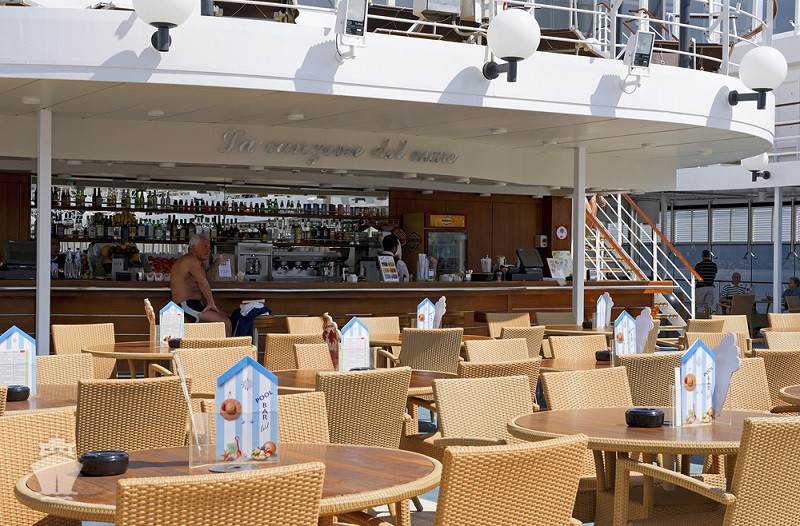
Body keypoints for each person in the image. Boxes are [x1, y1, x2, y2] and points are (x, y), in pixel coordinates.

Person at [170, 233, 232, 336]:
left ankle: (220, 345)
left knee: (228, 317)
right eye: (205, 246)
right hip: (184, 305)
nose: (208, 250)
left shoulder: (197, 262)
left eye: (209, 247)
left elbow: (206, 277)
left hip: (195, 304)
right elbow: (203, 282)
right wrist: (211, 303)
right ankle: (227, 347)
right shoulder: (190, 259)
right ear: (194, 248)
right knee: (226, 323)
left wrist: (216, 263)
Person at [693, 249, 717, 315]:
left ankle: (695, 316)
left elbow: (694, 275)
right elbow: (714, 275)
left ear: (702, 256)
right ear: (709, 256)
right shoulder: (714, 265)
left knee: (697, 304)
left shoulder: (699, 265)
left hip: (700, 287)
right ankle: (707, 316)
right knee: (708, 304)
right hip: (710, 287)